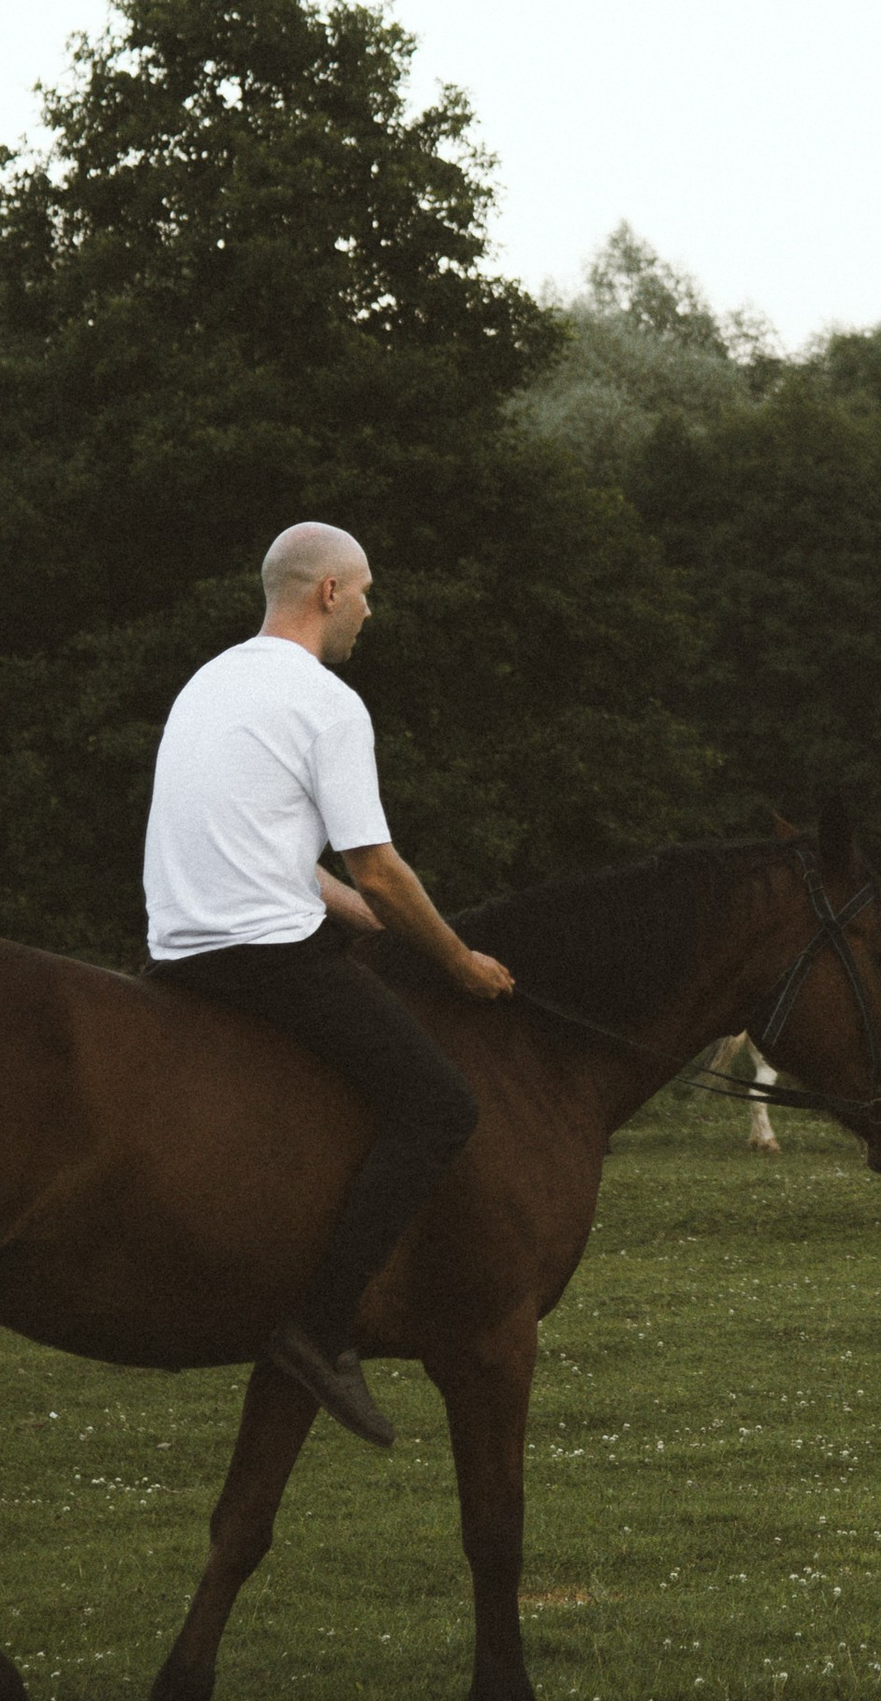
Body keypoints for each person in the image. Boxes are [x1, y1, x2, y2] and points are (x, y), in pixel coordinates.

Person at [142, 522, 515, 1449]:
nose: (371, 611)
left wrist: (390, 929)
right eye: (368, 591)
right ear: (329, 595)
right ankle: (320, 1324)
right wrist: (455, 960)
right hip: (264, 957)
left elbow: (298, 866)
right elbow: (377, 867)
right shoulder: (326, 701)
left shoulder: (209, 682)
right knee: (438, 1105)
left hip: (176, 954)